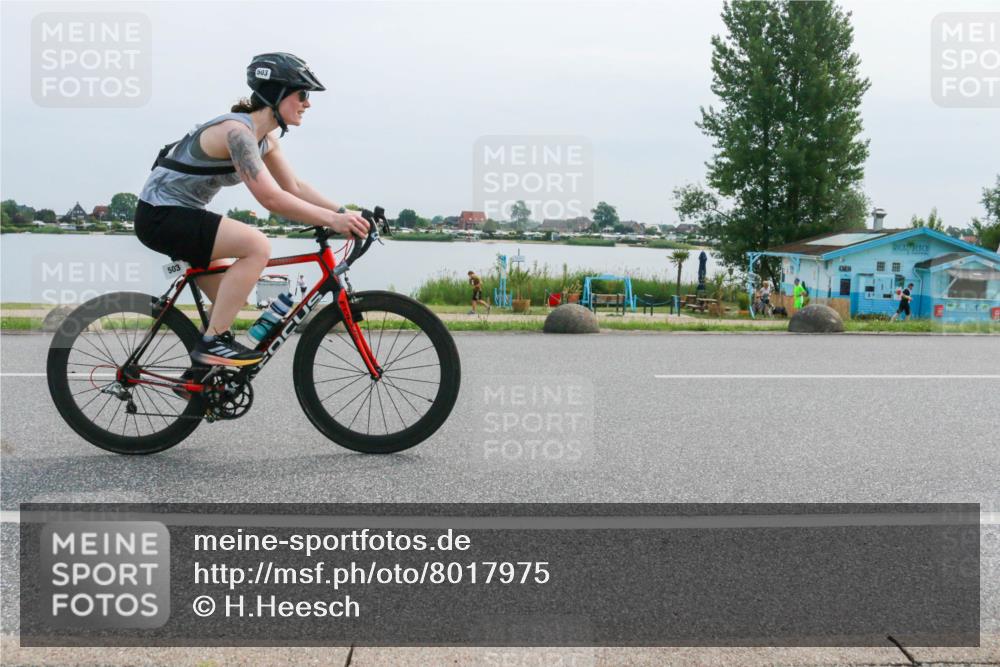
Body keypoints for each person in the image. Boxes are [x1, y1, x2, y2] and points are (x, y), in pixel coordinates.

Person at [134, 53, 369, 367]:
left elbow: (294, 187)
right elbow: (271, 199)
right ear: (277, 94)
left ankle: (197, 379)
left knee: (230, 300)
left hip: (179, 215)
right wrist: (333, 220)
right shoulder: (237, 133)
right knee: (256, 245)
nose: (307, 103)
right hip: (161, 214)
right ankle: (211, 345)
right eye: (303, 94)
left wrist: (346, 212)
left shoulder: (265, 140)